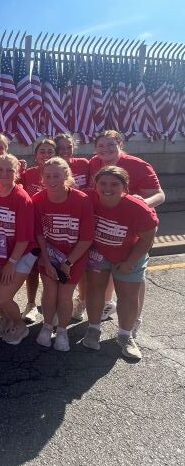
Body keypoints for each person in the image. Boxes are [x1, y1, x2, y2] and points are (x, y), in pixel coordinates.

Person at [89, 130, 165, 325]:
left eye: (111, 145)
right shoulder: (95, 163)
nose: (105, 149)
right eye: (101, 146)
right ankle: (108, 303)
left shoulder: (138, 165)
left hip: (135, 228)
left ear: (120, 145)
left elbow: (160, 195)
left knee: (133, 274)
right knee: (107, 266)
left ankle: (135, 318)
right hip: (108, 225)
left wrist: (143, 203)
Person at [83, 166, 158, 360]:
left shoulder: (138, 208)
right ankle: (93, 329)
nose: (107, 188)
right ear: (95, 185)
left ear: (125, 186)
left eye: (114, 184)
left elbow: (147, 239)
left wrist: (130, 262)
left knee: (128, 296)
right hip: (99, 252)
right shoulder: (88, 198)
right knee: (95, 289)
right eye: (103, 183)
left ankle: (126, 336)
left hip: (129, 254)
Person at [33, 158, 94, 351]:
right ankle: (46, 326)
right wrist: (46, 260)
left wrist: (67, 263)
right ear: (42, 177)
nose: (51, 180)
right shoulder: (38, 200)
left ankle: (62, 331)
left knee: (65, 294)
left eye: (56, 175)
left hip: (74, 256)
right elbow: (39, 235)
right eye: (47, 176)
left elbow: (86, 238)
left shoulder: (82, 200)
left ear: (66, 175)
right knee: (49, 292)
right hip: (49, 255)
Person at [0, 154, 38, 345]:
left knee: (3, 298)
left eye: (10, 170)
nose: (4, 173)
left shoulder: (22, 199)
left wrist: (11, 264)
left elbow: (24, 239)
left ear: (17, 173)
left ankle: (20, 326)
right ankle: (6, 318)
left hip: (20, 254)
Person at [54, 133, 91, 321]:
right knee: (57, 264)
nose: (65, 151)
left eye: (68, 147)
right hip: (61, 221)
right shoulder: (53, 166)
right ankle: (57, 303)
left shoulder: (84, 164)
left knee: (81, 266)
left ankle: (82, 300)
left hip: (82, 219)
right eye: (61, 147)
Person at [20, 137, 57, 323]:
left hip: (55, 228)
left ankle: (53, 306)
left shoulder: (61, 174)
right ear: (36, 155)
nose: (46, 154)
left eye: (50, 151)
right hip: (34, 226)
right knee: (33, 268)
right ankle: (31, 304)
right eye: (42, 151)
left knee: (53, 268)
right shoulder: (28, 174)